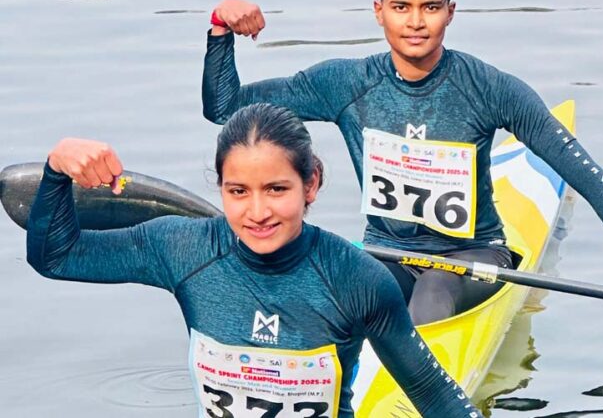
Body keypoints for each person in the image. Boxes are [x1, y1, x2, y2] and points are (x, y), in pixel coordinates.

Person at [201, 0, 603, 324]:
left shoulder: (488, 89)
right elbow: (224, 109)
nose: (415, 22)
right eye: (401, 7)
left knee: (434, 287)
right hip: (385, 253)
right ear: (378, 11)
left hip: (474, 259)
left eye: (430, 7)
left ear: (450, 12)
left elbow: (580, 169)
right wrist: (220, 29)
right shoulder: (346, 84)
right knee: (333, 287)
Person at [26, 104, 483, 418]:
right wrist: (57, 171)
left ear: (311, 184)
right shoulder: (182, 249)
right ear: (220, 187)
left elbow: (431, 393)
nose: (258, 212)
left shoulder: (356, 278)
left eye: (277, 189)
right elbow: (55, 257)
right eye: (238, 192)